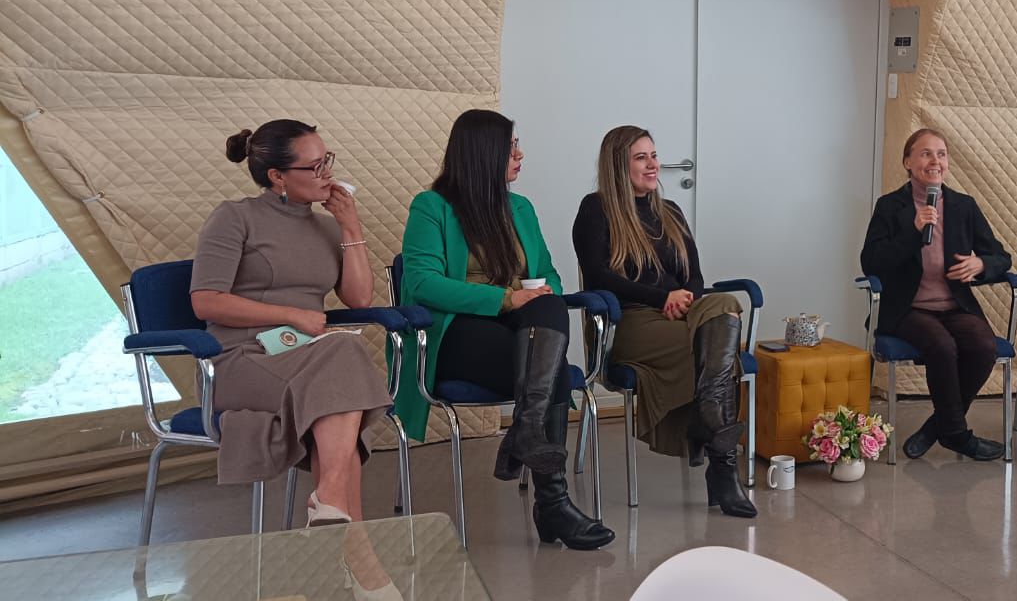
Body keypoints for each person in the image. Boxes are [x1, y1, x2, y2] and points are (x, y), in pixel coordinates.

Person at [397, 109, 612, 550]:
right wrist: (504, 298)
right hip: (456, 332)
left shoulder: (521, 208)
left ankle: (525, 434)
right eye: (511, 146)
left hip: (521, 330)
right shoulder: (431, 207)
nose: (520, 154)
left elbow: (548, 273)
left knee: (549, 317)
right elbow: (421, 283)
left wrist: (538, 291)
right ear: (483, 152)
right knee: (548, 368)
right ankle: (553, 507)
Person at [190, 119, 391, 525]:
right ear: (277, 176)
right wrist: (291, 314)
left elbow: (358, 298)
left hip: (305, 356)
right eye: (314, 166)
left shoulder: (327, 226)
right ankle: (356, 551)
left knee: (337, 390)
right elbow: (206, 302)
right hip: (242, 357)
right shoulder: (234, 217)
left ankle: (333, 512)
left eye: (327, 161)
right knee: (343, 364)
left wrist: (351, 227)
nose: (327, 174)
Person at [572, 125, 756, 518]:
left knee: (723, 303)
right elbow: (600, 275)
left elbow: (695, 275)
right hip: (632, 321)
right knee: (723, 355)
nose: (653, 164)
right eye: (641, 157)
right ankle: (722, 466)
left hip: (684, 314)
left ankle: (712, 439)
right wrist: (661, 297)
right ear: (618, 165)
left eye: (653, 155)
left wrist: (683, 296)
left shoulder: (669, 211)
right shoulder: (596, 208)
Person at [860, 128, 1012, 462]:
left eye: (941, 154)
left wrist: (980, 263)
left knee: (984, 347)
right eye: (926, 153)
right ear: (908, 161)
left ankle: (936, 427)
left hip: (954, 304)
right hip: (907, 308)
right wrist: (914, 232)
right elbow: (871, 262)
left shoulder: (963, 206)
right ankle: (957, 434)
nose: (935, 161)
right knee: (942, 346)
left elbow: (1002, 258)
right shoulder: (890, 206)